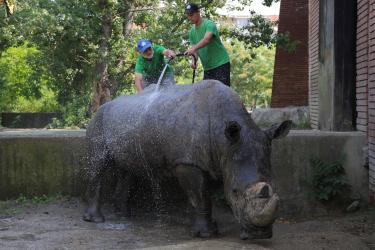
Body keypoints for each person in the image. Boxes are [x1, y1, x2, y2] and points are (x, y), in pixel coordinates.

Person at [184, 3, 231, 86]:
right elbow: (195, 51)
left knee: (222, 94)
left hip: (221, 64)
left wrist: (193, 49)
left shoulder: (209, 24)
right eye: (188, 15)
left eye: (191, 14)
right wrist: (193, 61)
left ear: (198, 12)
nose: (189, 17)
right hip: (208, 68)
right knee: (207, 95)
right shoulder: (191, 32)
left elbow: (206, 40)